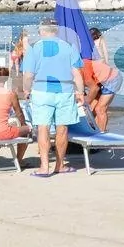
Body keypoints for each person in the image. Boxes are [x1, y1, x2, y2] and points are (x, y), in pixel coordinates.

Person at [18, 18, 86, 177]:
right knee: (62, 129)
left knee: (43, 128)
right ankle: (60, 165)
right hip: (65, 91)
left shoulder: (34, 48)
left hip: (41, 90)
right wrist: (80, 92)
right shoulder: (69, 46)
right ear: (56, 31)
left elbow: (28, 75)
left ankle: (44, 167)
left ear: (41, 30)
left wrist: (26, 90)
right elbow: (77, 73)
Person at [83, 27, 121, 132]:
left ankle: (102, 134)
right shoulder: (98, 42)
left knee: (100, 108)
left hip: (110, 79)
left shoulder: (96, 43)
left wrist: (85, 101)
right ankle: (95, 131)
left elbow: (93, 87)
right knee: (91, 109)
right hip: (101, 77)